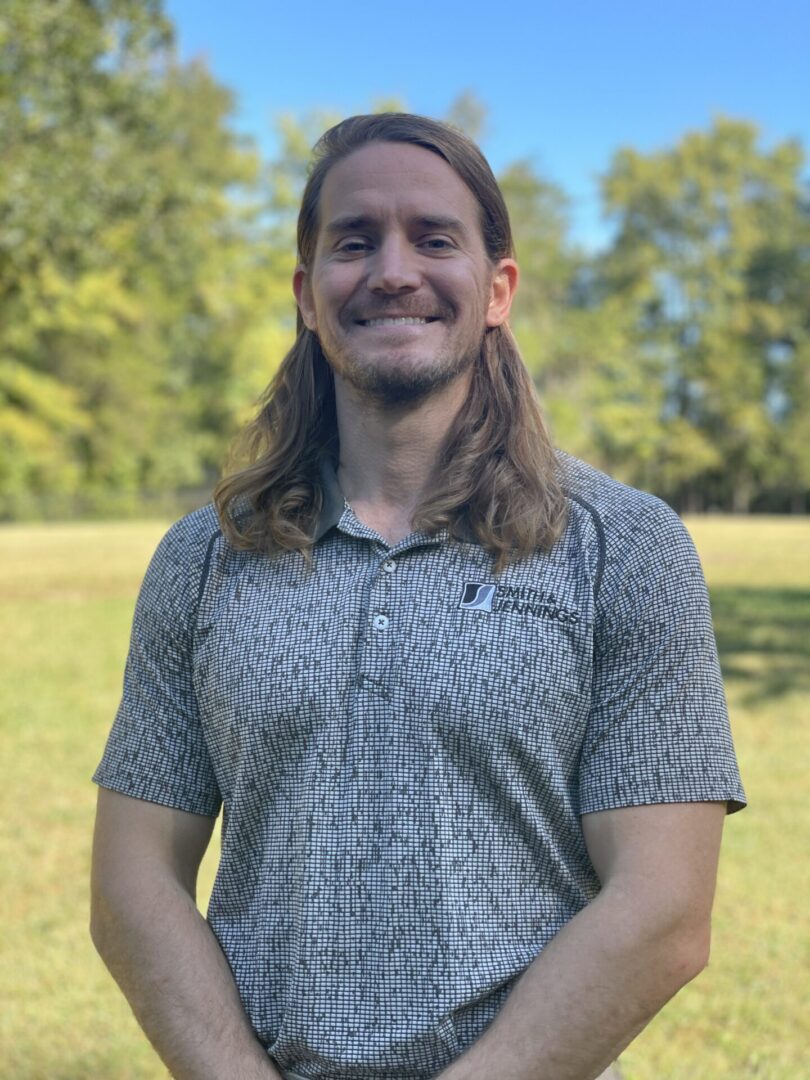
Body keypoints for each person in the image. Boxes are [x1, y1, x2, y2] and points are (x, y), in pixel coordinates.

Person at [90, 113, 746, 1080]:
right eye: (355, 242)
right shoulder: (203, 560)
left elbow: (664, 911)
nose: (394, 269)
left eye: (435, 239)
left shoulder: (624, 546)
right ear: (308, 295)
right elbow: (131, 885)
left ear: (498, 290)